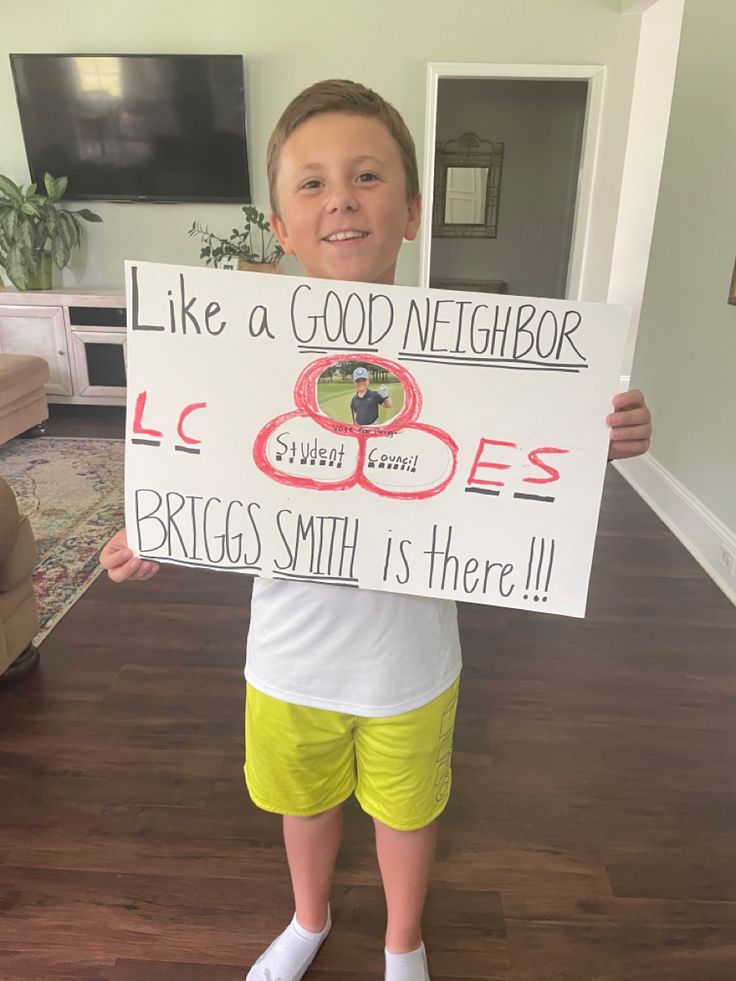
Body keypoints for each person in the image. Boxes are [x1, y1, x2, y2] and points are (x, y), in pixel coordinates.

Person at [100, 79, 652, 981]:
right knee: (303, 803)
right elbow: (207, 459)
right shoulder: (239, 354)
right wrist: (159, 527)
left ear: (412, 212)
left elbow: (535, 444)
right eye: (311, 184)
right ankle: (308, 920)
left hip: (410, 662)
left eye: (366, 176)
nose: (342, 199)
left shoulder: (474, 354)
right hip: (287, 654)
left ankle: (404, 941)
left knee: (407, 809)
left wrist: (606, 435)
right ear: (280, 225)